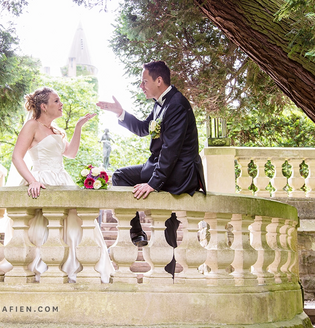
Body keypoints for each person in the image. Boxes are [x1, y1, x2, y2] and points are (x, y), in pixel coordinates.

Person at [96, 60, 206, 276]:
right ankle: (137, 231)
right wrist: (120, 113)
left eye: (144, 81)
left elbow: (171, 150)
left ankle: (168, 263)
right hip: (161, 164)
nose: (141, 86)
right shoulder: (160, 104)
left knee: (168, 221)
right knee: (119, 176)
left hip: (180, 171)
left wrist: (153, 183)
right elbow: (144, 128)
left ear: (159, 80)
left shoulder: (177, 104)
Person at [10, 86, 113, 283]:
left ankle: (74, 269)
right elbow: (17, 156)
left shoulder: (56, 130)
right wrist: (32, 181)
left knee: (75, 226)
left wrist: (78, 127)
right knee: (45, 228)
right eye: (56, 101)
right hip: (43, 180)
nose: (61, 104)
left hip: (62, 180)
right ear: (43, 106)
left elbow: (71, 153)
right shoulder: (31, 126)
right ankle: (47, 269)